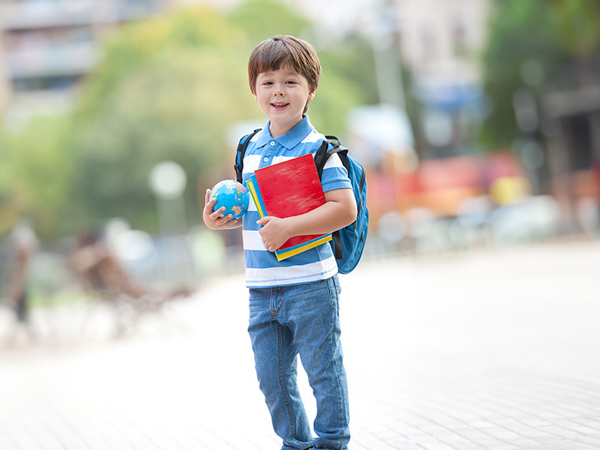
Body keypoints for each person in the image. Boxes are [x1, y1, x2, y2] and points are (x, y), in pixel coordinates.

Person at [203, 36, 357, 450]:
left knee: (323, 372)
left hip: (311, 286)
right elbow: (248, 214)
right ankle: (296, 443)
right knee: (271, 380)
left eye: (290, 81)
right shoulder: (248, 147)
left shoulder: (319, 149)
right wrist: (215, 220)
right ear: (254, 90)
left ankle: (332, 442)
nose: (278, 91)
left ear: (310, 90)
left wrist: (288, 227)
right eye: (267, 82)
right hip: (260, 288)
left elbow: (345, 209)